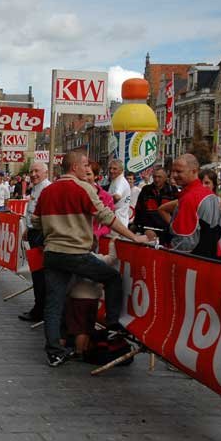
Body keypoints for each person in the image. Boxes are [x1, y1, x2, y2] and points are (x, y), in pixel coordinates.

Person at [30, 150, 148, 367]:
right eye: (84, 165)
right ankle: (113, 326)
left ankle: (54, 351)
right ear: (74, 167)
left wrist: (53, 229)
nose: (87, 169)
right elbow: (107, 217)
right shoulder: (83, 189)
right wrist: (133, 236)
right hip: (75, 252)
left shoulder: (48, 191)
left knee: (54, 302)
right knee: (112, 278)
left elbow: (35, 222)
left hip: (52, 253)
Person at [158, 154, 221, 260]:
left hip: (194, 260)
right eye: (173, 171)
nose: (174, 175)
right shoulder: (210, 196)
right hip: (212, 257)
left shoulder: (190, 198)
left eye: (179, 171)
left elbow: (184, 242)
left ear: (194, 171)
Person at [18, 161, 50, 323]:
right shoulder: (37, 188)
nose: (33, 174)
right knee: (37, 274)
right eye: (31, 171)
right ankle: (39, 308)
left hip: (41, 236)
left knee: (40, 275)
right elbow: (32, 212)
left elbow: (46, 216)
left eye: (37, 171)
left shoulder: (47, 189)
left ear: (46, 173)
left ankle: (40, 310)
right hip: (34, 233)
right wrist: (28, 229)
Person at [133, 165, 177, 239]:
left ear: (165, 178)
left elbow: (177, 212)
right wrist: (138, 226)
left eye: (159, 177)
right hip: (148, 229)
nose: (156, 179)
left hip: (167, 230)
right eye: (154, 177)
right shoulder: (146, 190)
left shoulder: (172, 191)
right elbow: (139, 209)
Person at [85, 161, 115, 239]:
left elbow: (108, 225)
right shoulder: (72, 193)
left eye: (88, 174)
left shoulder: (106, 197)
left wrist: (96, 234)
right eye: (83, 173)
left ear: (96, 176)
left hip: (94, 241)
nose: (85, 177)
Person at [108, 159, 131, 227]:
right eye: (110, 168)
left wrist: (107, 204)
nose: (111, 171)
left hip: (118, 221)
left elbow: (117, 197)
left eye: (115, 169)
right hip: (119, 220)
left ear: (121, 170)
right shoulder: (116, 179)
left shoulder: (120, 182)